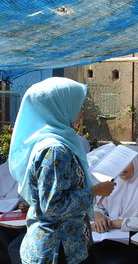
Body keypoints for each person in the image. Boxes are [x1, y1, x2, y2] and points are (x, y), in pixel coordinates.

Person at [8, 77, 116, 264]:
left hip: (63, 244)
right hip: (59, 248)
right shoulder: (56, 150)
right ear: (58, 107)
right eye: (76, 104)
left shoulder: (50, 141)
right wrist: (96, 191)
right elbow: (53, 207)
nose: (81, 111)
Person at [91, 145, 138, 264]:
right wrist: (100, 218)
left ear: (137, 162)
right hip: (109, 234)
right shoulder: (112, 181)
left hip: (136, 237)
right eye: (119, 162)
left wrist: (113, 224)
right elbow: (97, 206)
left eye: (127, 162)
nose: (122, 167)